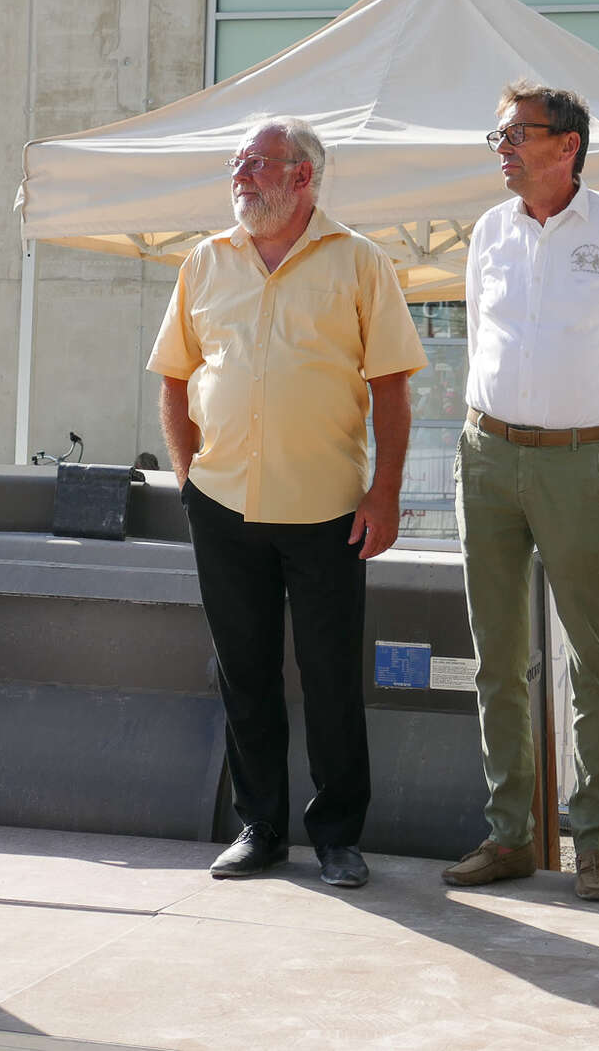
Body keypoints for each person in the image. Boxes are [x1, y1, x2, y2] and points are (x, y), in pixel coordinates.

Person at [150, 117, 426, 889]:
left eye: (258, 163)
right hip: (222, 504)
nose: (241, 174)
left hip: (329, 508)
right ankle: (261, 828)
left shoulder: (361, 261)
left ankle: (337, 836)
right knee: (244, 674)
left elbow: (391, 388)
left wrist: (385, 492)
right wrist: (187, 478)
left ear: (303, 176)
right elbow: (174, 378)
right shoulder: (205, 260)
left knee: (331, 677)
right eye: (236, 162)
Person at [442, 80, 599, 903]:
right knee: (496, 657)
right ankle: (510, 834)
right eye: (499, 136)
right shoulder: (488, 230)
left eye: (517, 134)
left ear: (567, 144)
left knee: (594, 660)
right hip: (486, 454)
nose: (503, 149)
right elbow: (481, 338)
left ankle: (594, 842)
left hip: (583, 461)